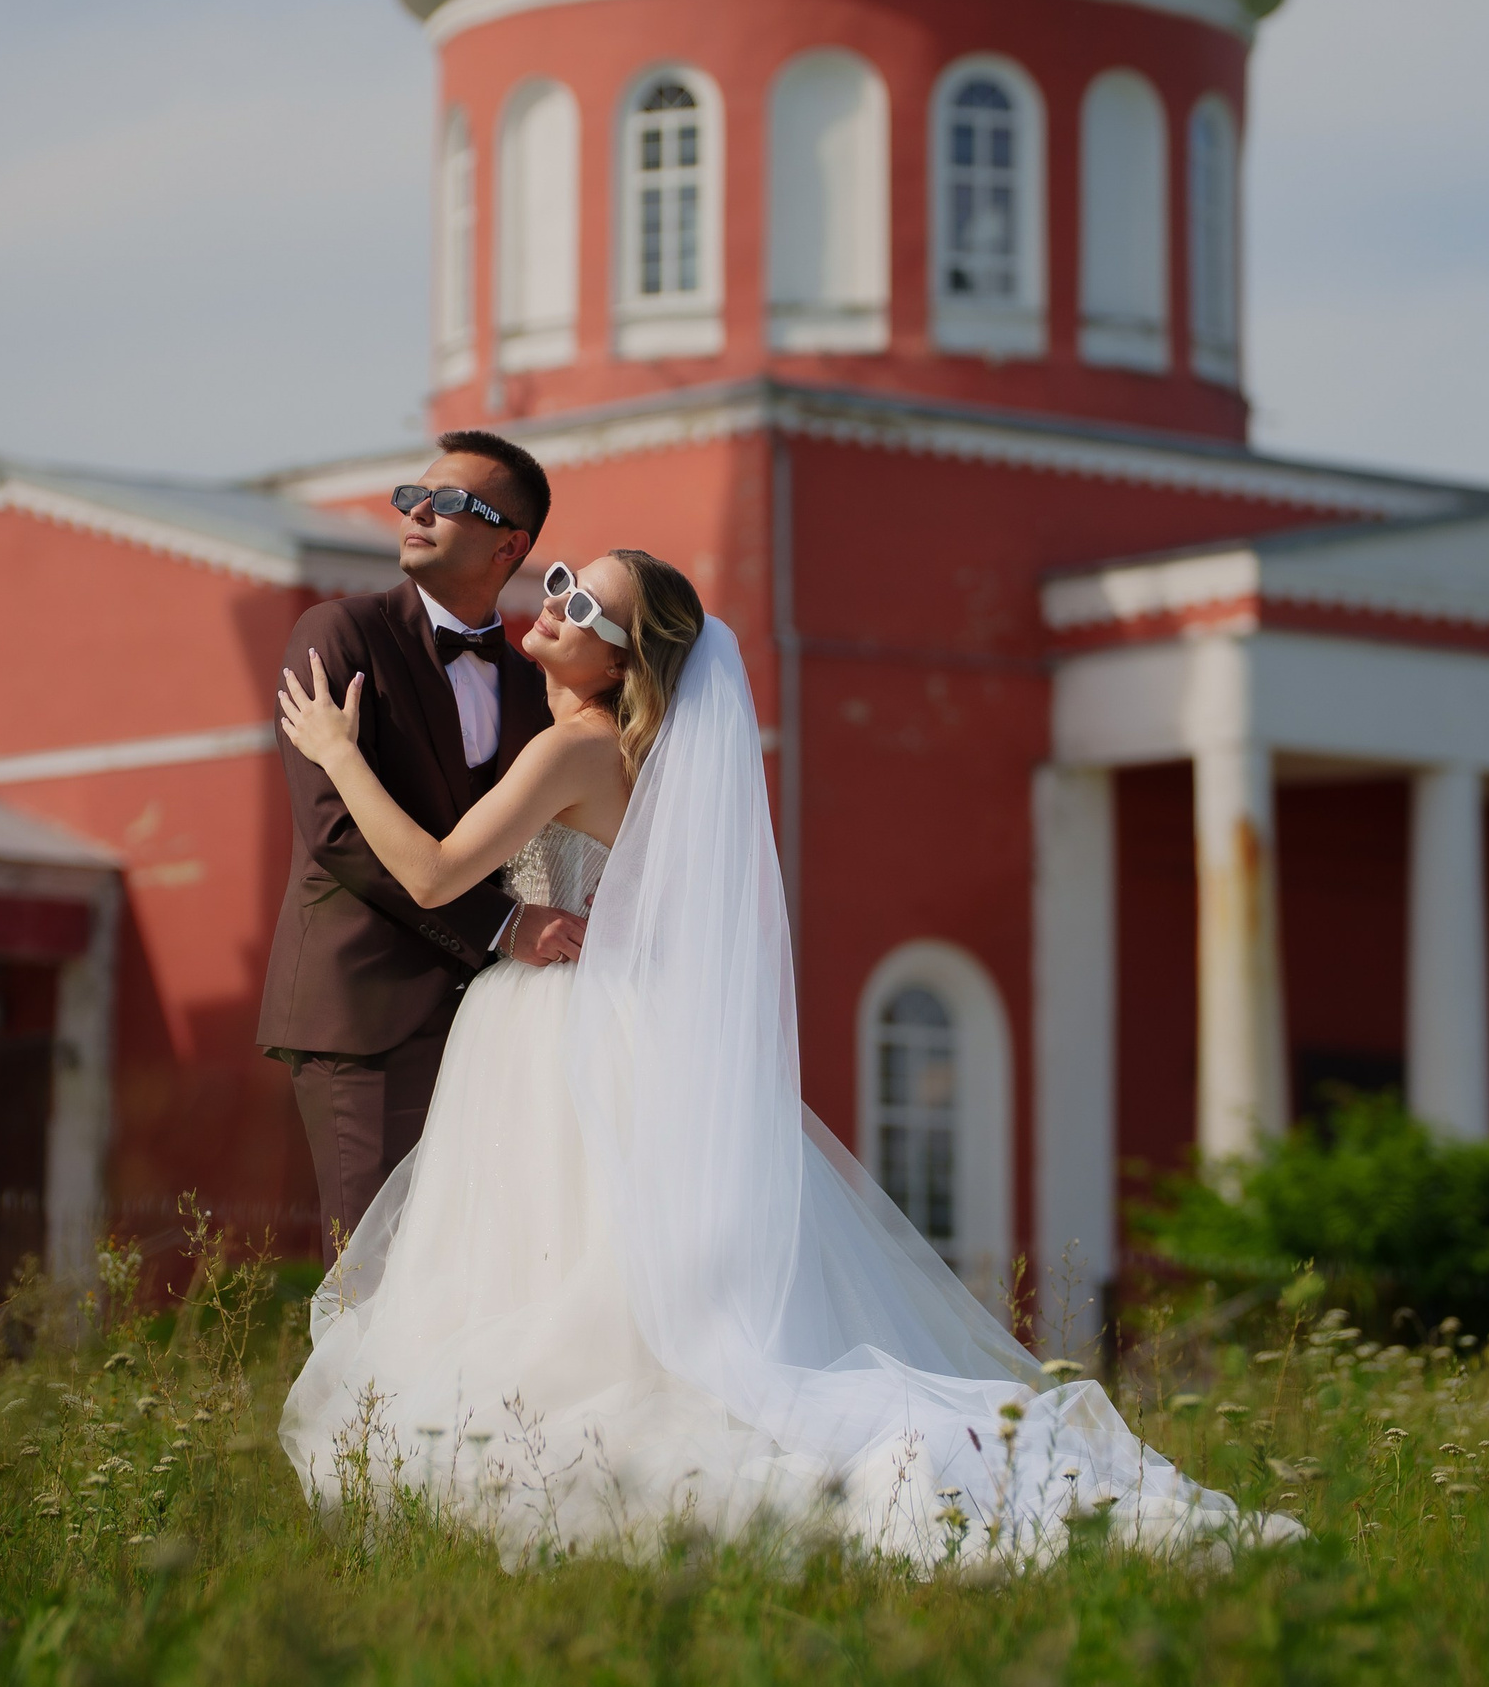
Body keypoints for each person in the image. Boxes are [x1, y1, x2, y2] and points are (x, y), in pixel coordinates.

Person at [275, 555, 1295, 1570]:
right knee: (595, 1264)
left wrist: (337, 754)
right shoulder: (630, 758)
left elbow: (431, 873)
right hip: (597, 1025)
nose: (555, 605)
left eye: (583, 606)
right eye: (561, 583)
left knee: (557, 1264)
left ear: (621, 662)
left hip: (554, 1032)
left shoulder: (571, 750)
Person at [257, 431, 589, 1269]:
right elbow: (336, 831)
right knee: (370, 1269)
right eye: (412, 496)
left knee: (470, 1271)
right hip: (363, 1008)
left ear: (510, 544)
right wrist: (504, 926)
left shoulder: (534, 687)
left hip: (497, 1024)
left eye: (448, 502)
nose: (417, 512)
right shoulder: (337, 632)